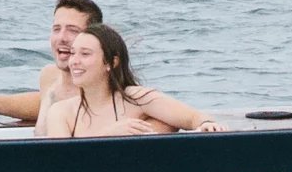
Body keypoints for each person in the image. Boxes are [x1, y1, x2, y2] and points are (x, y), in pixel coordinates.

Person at [37, 23, 220, 137]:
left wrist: (206, 124)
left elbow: (193, 117)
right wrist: (108, 136)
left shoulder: (135, 98)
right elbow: (61, 163)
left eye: (85, 54)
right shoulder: (61, 111)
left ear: (111, 62)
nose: (74, 61)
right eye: (73, 53)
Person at [0, 0, 101, 125]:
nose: (62, 38)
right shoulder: (50, 76)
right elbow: (40, 104)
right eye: (56, 29)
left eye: (72, 30)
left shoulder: (105, 84)